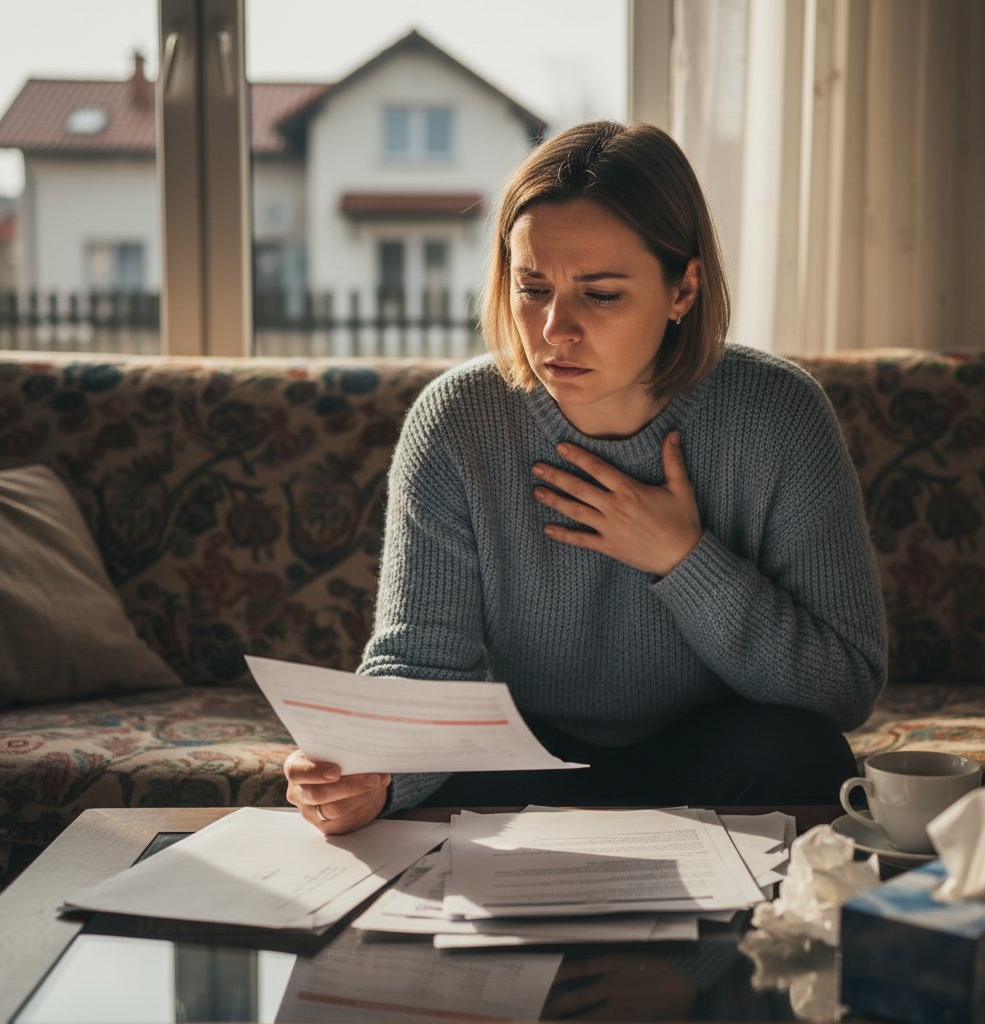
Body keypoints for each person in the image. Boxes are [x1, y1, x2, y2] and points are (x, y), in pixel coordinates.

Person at [285, 120, 887, 834]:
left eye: (600, 295)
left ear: (683, 290)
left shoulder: (779, 414)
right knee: (436, 774)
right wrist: (372, 767)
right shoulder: (456, 421)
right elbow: (421, 663)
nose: (553, 331)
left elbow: (844, 685)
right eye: (531, 287)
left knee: (805, 752)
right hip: (522, 759)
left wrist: (684, 559)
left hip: (715, 754)